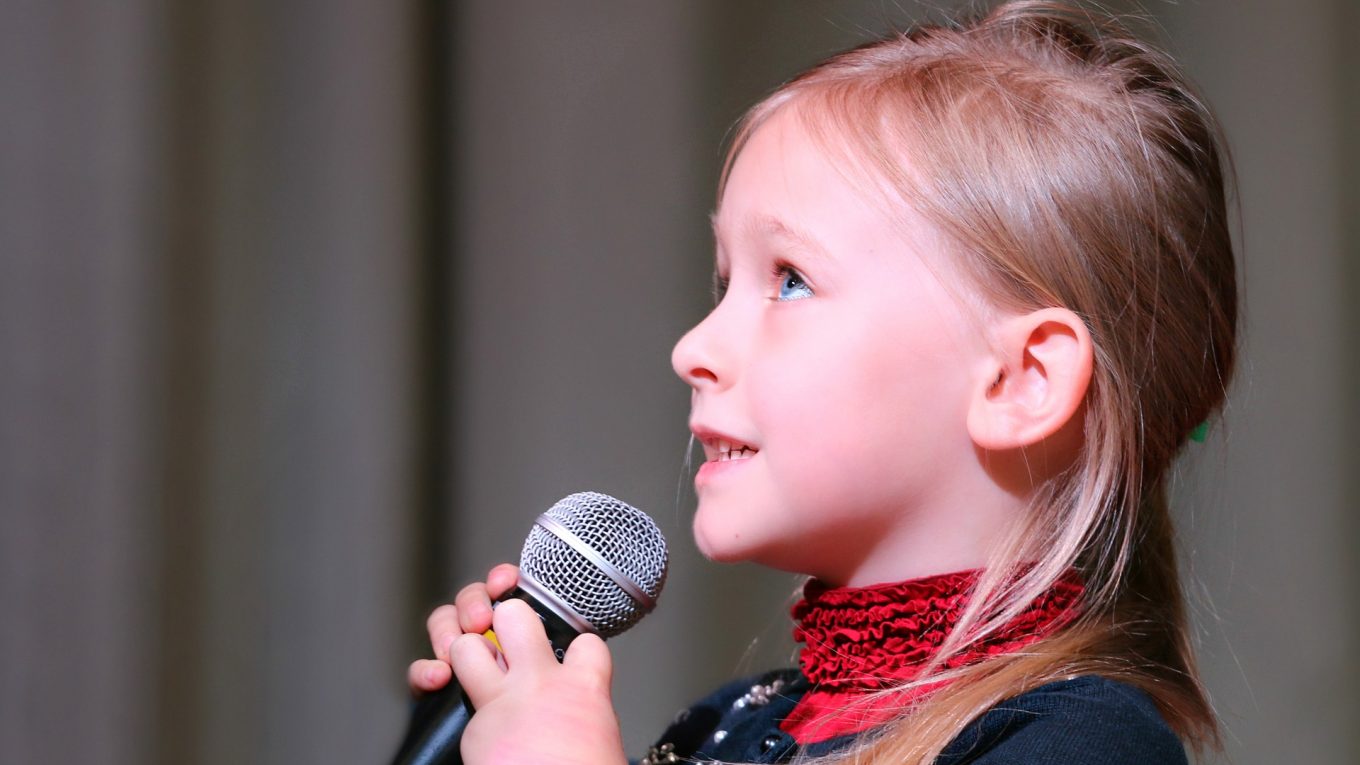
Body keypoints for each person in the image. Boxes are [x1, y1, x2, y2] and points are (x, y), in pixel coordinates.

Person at [406, 1, 1237, 762]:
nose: (692, 346)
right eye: (722, 281)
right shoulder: (728, 721)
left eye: (790, 280)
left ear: (1021, 379)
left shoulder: (1076, 743)